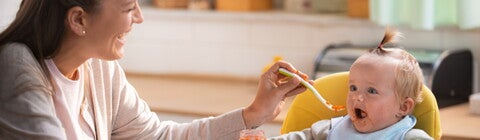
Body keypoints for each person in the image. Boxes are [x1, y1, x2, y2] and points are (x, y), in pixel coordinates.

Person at [0, 0, 310, 139]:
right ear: (79, 20)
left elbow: (160, 137)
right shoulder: (16, 67)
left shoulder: (99, 69)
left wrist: (254, 113)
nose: (139, 17)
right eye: (128, 8)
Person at [269, 28, 433, 140]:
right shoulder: (332, 130)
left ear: (403, 107)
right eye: (353, 88)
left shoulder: (410, 137)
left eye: (371, 90)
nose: (358, 97)